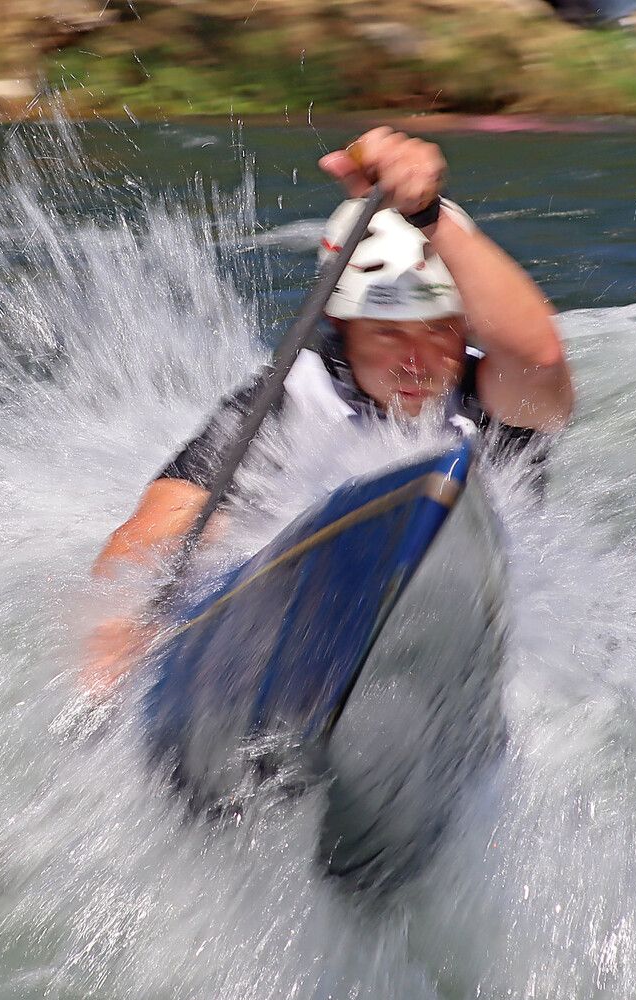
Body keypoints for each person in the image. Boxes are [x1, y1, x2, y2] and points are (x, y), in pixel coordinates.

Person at [83, 127, 574, 692]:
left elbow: (540, 354)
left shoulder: (499, 400)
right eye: (388, 335)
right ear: (342, 326)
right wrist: (114, 650)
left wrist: (428, 215)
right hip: (311, 633)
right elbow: (161, 523)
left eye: (439, 331)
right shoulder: (294, 393)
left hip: (478, 635)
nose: (417, 362)